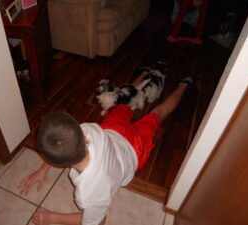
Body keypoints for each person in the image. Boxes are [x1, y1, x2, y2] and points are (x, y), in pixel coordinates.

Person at [18, 71, 193, 225]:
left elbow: (99, 221)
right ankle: (160, 81)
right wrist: (42, 170)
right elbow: (61, 137)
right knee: (132, 104)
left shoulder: (89, 193)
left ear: (60, 163)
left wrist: (52, 218)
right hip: (113, 131)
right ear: (84, 137)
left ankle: (184, 83)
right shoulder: (85, 129)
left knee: (158, 113)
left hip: (133, 150)